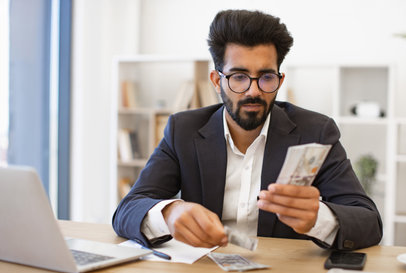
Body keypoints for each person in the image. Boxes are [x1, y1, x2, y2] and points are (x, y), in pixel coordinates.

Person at [112, 9, 383, 251]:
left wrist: (318, 218)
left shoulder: (317, 131)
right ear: (217, 81)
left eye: (266, 77)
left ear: (280, 80)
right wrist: (170, 212)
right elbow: (127, 210)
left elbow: (369, 221)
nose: (253, 90)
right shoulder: (183, 130)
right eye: (239, 77)